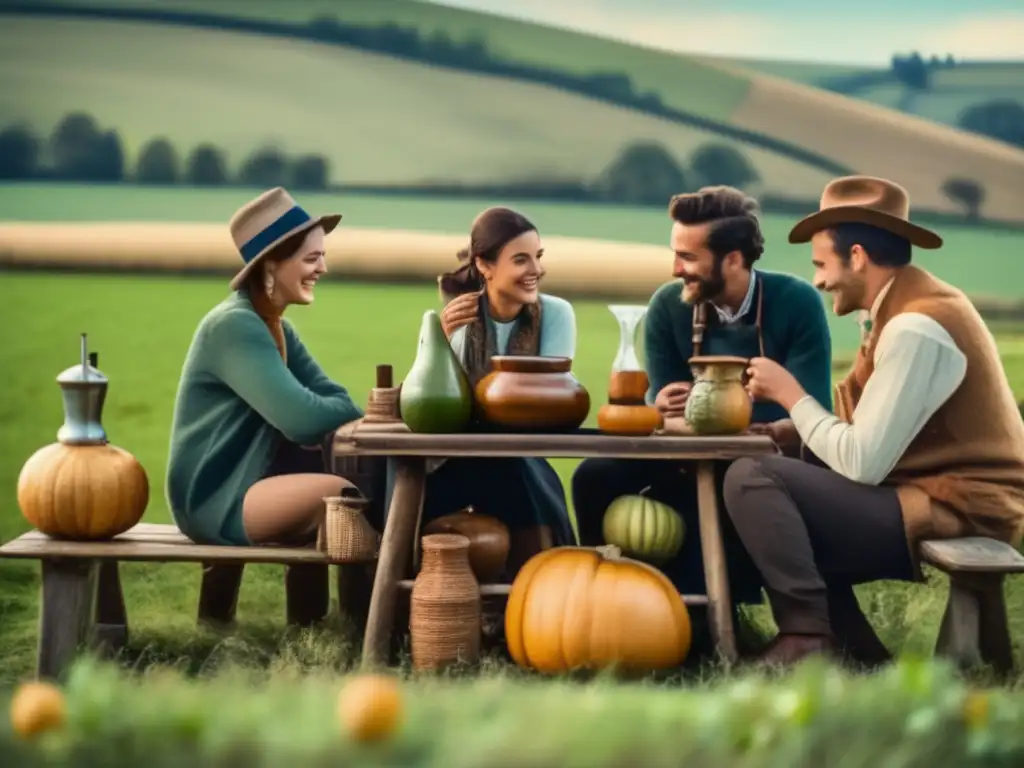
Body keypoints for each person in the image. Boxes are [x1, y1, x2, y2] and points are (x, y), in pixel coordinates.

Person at [724, 175, 1024, 667]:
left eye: (821, 264)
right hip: (939, 492)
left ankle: (808, 637)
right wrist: (790, 434)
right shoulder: (902, 312)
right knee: (771, 492)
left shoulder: (915, 328)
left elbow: (864, 462)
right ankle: (860, 659)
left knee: (752, 479)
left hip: (965, 505)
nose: (818, 280)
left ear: (857, 257)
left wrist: (790, 395)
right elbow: (869, 427)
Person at [570, 186, 833, 608]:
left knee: (721, 491)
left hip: (764, 469)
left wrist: (738, 426)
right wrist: (660, 412)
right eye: (676, 254)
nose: (676, 269)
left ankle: (702, 620)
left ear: (732, 259)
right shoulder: (668, 307)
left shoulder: (796, 302)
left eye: (688, 257)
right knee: (593, 477)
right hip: (684, 461)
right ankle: (604, 603)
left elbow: (811, 416)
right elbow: (665, 418)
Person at [167, 187, 364, 547]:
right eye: (311, 259)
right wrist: (327, 409)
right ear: (272, 264)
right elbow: (304, 421)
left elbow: (337, 400)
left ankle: (322, 606)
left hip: (256, 483)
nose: (323, 268)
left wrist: (331, 408)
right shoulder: (233, 326)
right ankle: (360, 604)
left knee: (363, 479)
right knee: (341, 494)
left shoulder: (278, 328)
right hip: (218, 497)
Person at [426, 206, 577, 576]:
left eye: (538, 257)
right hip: (460, 461)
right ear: (485, 266)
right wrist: (440, 342)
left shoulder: (556, 314)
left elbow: (549, 399)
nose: (536, 270)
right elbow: (438, 402)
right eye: (521, 260)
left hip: (521, 457)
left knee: (517, 469)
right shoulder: (457, 320)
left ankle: (538, 593)